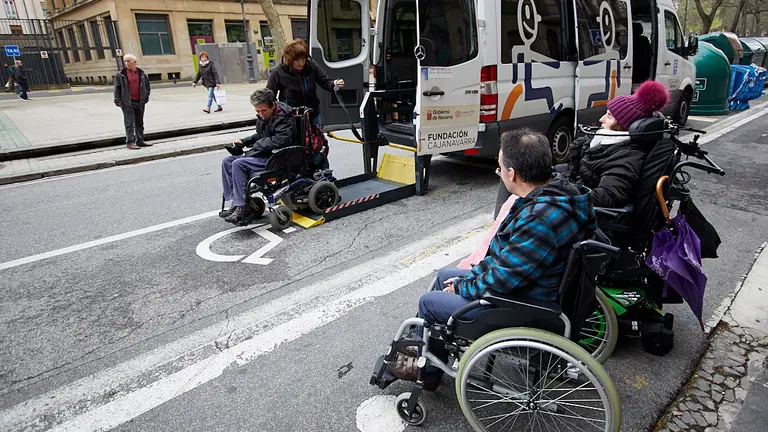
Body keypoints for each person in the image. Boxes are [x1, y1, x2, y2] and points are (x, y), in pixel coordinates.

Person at [389, 128, 596, 388]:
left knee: (429, 302)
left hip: (523, 306)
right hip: (536, 287)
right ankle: (430, 346)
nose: (500, 174)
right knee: (444, 275)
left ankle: (428, 374)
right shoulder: (562, 195)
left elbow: (503, 278)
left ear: (512, 174)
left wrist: (465, 286)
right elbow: (505, 258)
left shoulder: (539, 219)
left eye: (499, 169)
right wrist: (470, 277)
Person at [567, 80, 670, 208]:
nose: (601, 120)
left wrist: (563, 192)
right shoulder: (608, 144)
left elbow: (607, 196)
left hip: (590, 216)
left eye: (609, 116)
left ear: (624, 126)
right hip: (580, 191)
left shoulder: (626, 158)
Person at [220, 89, 295, 224]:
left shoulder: (284, 117)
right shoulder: (264, 116)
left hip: (276, 157)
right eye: (257, 112)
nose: (260, 114)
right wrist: (244, 141)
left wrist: (258, 145)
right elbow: (261, 135)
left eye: (263, 111)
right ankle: (236, 202)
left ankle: (242, 207)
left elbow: (282, 140)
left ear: (273, 105)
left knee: (238, 164)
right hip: (264, 153)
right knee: (227, 162)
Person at [266, 39, 345, 129]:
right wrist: (277, 111)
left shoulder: (311, 65)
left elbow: (325, 82)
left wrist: (335, 84)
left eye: (303, 59)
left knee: (316, 141)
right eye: (296, 60)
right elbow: (269, 94)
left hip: (313, 114)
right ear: (289, 58)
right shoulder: (278, 71)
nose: (301, 63)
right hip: (291, 116)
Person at [114, 54, 151, 150]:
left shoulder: (142, 74)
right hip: (127, 102)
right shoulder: (121, 75)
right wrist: (118, 101)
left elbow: (147, 87)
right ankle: (130, 142)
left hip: (140, 102)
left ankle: (140, 140)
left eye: (129, 61)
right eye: (125, 61)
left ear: (135, 62)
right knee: (129, 123)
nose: (126, 63)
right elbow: (117, 88)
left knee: (139, 122)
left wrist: (145, 97)